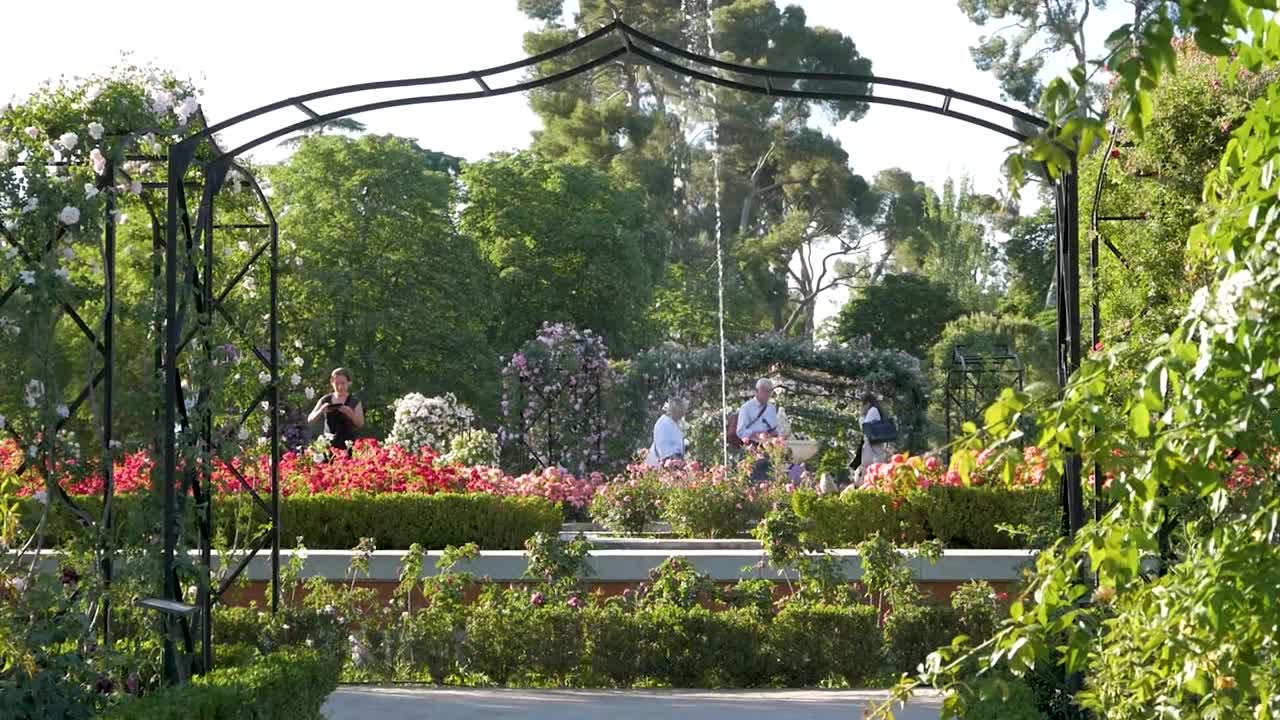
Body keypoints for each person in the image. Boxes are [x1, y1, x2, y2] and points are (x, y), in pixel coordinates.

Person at [307, 367, 365, 452]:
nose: (340, 386)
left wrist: (350, 413)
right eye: (336, 383)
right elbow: (310, 420)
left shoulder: (354, 401)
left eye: (343, 383)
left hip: (347, 444)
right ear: (331, 382)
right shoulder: (325, 399)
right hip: (328, 443)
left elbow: (360, 424)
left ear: (349, 383)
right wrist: (321, 411)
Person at [736, 378, 780, 446]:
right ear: (757, 391)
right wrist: (758, 434)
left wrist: (773, 433)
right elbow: (740, 432)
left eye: (769, 391)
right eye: (765, 391)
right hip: (752, 445)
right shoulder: (746, 408)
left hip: (770, 445)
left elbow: (775, 428)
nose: (767, 394)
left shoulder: (772, 408)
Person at [644, 398, 687, 467]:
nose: (682, 415)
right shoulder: (663, 423)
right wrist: (673, 461)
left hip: (675, 462)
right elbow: (663, 447)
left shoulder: (674, 423)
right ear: (674, 410)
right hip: (661, 465)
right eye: (681, 412)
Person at [858, 392, 889, 477]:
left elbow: (865, 429)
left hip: (872, 447)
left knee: (871, 469)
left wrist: (861, 416)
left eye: (863, 405)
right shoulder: (875, 410)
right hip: (875, 446)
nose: (862, 407)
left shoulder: (872, 411)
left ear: (867, 403)